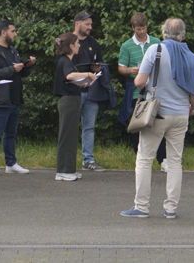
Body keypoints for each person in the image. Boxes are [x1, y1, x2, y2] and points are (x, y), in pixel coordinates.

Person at [121, 16, 194, 219]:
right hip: (181, 113)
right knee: (175, 161)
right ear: (183, 35)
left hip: (157, 113)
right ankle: (171, 209)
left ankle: (141, 206)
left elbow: (139, 82)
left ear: (163, 33)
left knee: (145, 158)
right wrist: (192, 108)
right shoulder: (191, 56)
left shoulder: (155, 50)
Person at [0, 20, 33, 176]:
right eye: (13, 31)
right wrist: (12, 68)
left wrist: (27, 66)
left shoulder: (13, 50)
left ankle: (11, 163)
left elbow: (18, 72)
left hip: (14, 97)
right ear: (3, 32)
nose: (15, 34)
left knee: (11, 133)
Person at [118, 13, 162, 168]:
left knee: (158, 123)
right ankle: (139, 158)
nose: (142, 32)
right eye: (138, 29)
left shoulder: (156, 42)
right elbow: (121, 68)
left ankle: (162, 159)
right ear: (133, 28)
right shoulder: (127, 45)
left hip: (155, 88)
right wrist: (131, 69)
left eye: (143, 29)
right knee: (137, 124)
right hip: (136, 90)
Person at [71, 12, 113, 171]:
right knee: (71, 126)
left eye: (90, 24)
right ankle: (68, 160)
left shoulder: (93, 43)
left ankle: (88, 160)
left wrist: (98, 67)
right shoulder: (67, 40)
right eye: (87, 24)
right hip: (73, 92)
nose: (90, 27)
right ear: (77, 24)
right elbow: (62, 65)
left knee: (89, 127)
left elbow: (99, 62)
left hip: (91, 91)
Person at [52, 32, 96, 181]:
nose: (79, 45)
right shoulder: (65, 61)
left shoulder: (69, 61)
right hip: (68, 100)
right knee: (66, 135)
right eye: (76, 43)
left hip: (73, 99)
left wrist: (84, 81)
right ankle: (62, 170)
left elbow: (72, 79)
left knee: (71, 135)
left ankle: (69, 169)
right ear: (71, 46)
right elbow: (69, 76)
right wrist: (89, 74)